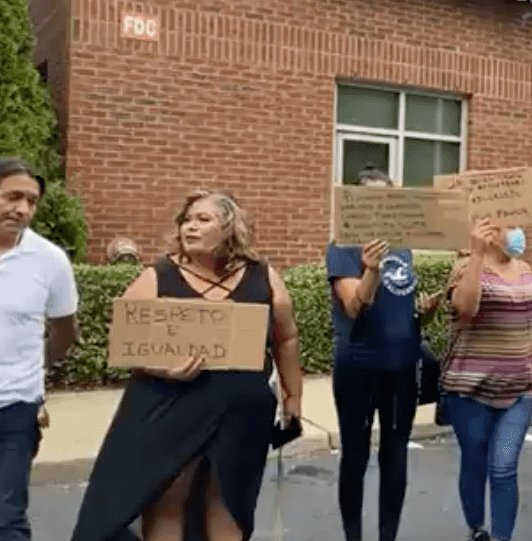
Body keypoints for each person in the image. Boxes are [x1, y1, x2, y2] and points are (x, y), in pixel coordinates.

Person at [69, 189, 304, 541]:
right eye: (186, 220)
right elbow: (123, 342)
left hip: (241, 413)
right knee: (168, 497)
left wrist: (293, 397)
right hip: (171, 407)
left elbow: (286, 338)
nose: (190, 227)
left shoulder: (263, 277)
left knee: (228, 502)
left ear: (230, 228)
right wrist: (162, 368)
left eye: (203, 219)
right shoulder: (157, 277)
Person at [327, 167, 444, 541]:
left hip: (401, 368)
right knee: (356, 455)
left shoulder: (402, 247)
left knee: (395, 454)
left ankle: (387, 535)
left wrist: (424, 311)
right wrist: (370, 270)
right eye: (372, 199)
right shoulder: (343, 246)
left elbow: (399, 307)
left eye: (388, 198)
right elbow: (354, 306)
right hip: (359, 367)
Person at [441, 217, 532, 541]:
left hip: (519, 389)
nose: (518, 232)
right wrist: (477, 255)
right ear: (490, 233)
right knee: (474, 462)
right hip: (470, 389)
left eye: (520, 224)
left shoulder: (526, 271)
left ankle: (503, 536)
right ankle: (477, 527)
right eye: (509, 226)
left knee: (504, 466)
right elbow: (465, 308)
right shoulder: (465, 268)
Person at [0, 157, 80, 541]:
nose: (23, 209)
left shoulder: (49, 260)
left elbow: (65, 330)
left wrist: (36, 374)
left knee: (7, 519)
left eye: (32, 201)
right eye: (13, 197)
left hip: (15, 407)